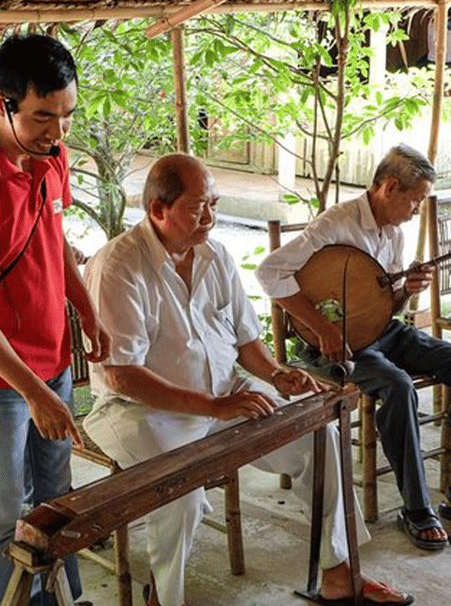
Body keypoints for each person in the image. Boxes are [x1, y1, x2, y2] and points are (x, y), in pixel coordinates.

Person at [82, 153, 412, 606]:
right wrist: (215, 408)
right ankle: (164, 598)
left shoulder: (213, 255)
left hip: (224, 395)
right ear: (158, 210)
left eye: (215, 204)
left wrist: (278, 375)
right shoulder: (119, 266)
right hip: (144, 413)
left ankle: (340, 574)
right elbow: (122, 377)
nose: (211, 218)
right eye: (199, 207)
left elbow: (244, 343)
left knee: (321, 438)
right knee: (180, 495)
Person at [257, 144, 451, 551]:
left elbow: (385, 306)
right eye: (415, 200)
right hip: (338, 346)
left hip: (385, 332)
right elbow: (269, 273)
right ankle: (415, 506)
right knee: (398, 386)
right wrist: (322, 328)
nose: (416, 210)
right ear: (390, 188)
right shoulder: (335, 225)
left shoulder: (394, 231)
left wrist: (405, 292)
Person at [0, 33, 109, 606]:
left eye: (66, 116)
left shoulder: (50, 161)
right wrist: (33, 393)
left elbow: (55, 240)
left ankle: (60, 600)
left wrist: (86, 311)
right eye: (40, 117)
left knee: (56, 503)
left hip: (50, 362)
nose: (57, 134)